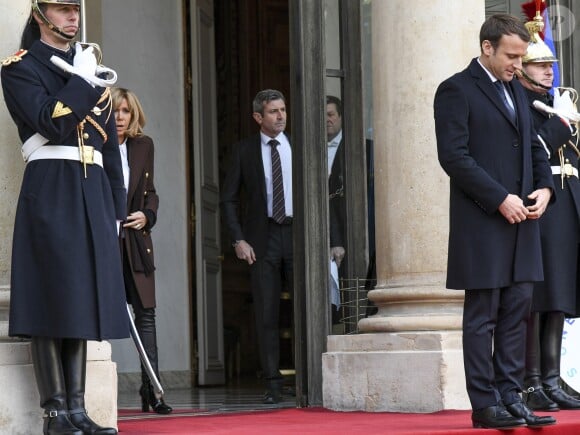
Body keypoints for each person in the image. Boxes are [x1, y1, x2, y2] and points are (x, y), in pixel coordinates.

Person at [1, 1, 128, 434]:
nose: (72, 18)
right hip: (51, 185)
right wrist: (83, 79)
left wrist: (116, 210)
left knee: (79, 297)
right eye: (62, 10)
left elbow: (108, 149)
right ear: (40, 16)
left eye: (75, 10)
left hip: (90, 190)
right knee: (49, 297)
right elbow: (50, 122)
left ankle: (77, 410)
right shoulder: (19, 67)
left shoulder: (90, 69)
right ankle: (54, 414)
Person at [434, 14, 556, 429]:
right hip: (484, 223)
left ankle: (511, 397)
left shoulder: (517, 92)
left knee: (516, 314)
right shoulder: (455, 90)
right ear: (487, 47)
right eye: (511, 55)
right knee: (483, 316)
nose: (517, 65)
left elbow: (535, 149)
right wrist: (499, 198)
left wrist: (546, 189)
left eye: (522, 58)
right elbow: (454, 157)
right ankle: (485, 404)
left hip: (523, 221)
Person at [515, 9, 580, 412]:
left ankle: (554, 379)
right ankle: (533, 380)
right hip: (542, 207)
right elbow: (529, 148)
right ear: (521, 68)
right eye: (539, 65)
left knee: (558, 297)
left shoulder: (554, 103)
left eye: (550, 65)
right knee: (539, 299)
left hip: (566, 206)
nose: (548, 72)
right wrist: (557, 125)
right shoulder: (522, 103)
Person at [220, 89, 293, 404]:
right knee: (266, 312)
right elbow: (228, 199)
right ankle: (273, 384)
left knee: (306, 309)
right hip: (261, 239)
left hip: (298, 235)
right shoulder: (244, 151)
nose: (280, 116)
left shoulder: (299, 144)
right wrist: (238, 239)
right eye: (273, 111)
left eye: (282, 110)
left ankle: (312, 379)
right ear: (257, 117)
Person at [111, 87, 173, 415]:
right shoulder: (94, 142)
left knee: (145, 315)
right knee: (99, 315)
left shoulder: (143, 145)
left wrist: (147, 214)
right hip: (105, 240)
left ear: (134, 116)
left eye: (125, 112)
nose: (120, 117)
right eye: (115, 111)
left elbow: (150, 192)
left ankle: (153, 390)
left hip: (135, 240)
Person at [326, 95, 346, 322]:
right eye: (323, 116)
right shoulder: (305, 148)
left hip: (346, 226)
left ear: (340, 117)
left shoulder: (357, 149)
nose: (327, 120)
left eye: (331, 115)